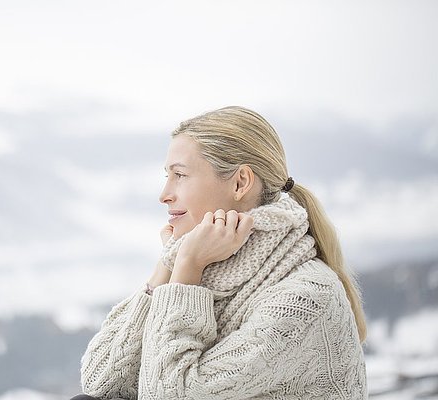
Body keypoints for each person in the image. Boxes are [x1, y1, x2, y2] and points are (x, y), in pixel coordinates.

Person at [73, 106, 367, 399]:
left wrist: (186, 267)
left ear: (240, 183)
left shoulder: (304, 297)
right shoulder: (213, 270)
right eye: (167, 175)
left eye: (180, 175)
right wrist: (169, 263)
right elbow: (102, 384)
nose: (164, 194)